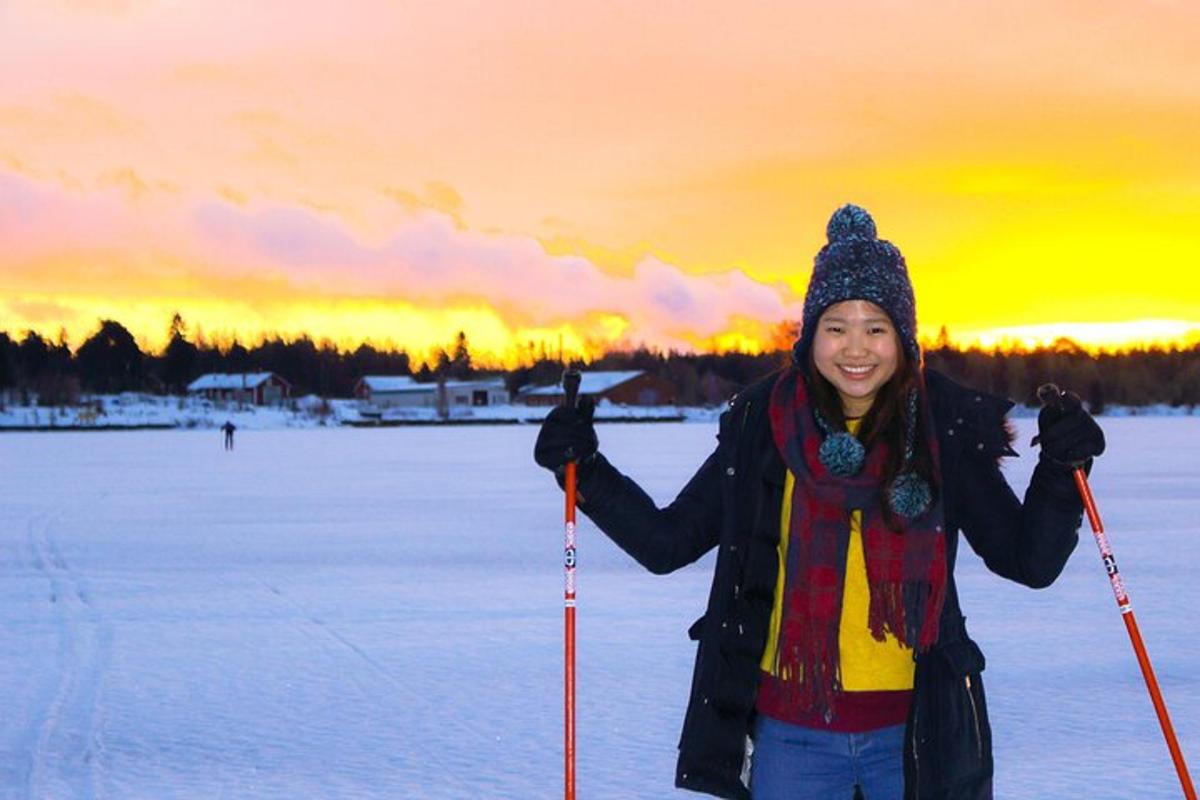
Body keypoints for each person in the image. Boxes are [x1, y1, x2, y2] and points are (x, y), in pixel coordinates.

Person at [534, 204, 1105, 800]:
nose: (855, 349)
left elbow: (1029, 561)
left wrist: (1062, 472)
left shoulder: (942, 430)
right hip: (792, 736)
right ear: (810, 337)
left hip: (918, 732)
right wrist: (587, 473)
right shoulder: (763, 426)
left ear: (903, 340)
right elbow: (666, 542)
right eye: (836, 327)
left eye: (876, 328)